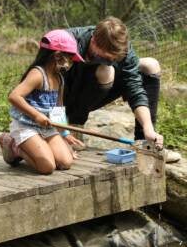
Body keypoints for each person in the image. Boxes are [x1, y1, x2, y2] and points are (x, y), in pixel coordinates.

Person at [62, 16, 180, 162]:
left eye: (115, 59)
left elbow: (135, 89)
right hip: (65, 99)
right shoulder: (67, 42)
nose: (111, 61)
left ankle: (145, 144)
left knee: (150, 65)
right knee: (106, 70)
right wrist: (63, 132)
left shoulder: (124, 51)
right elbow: (49, 85)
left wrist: (148, 128)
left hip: (97, 92)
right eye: (106, 57)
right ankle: (74, 127)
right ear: (93, 41)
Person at [0, 29, 85, 175]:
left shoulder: (60, 79)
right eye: (69, 58)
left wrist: (65, 134)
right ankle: (15, 147)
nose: (70, 63)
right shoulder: (37, 74)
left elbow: (58, 108)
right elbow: (14, 96)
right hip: (26, 126)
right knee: (47, 167)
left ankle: (40, 147)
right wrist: (36, 115)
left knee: (66, 162)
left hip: (46, 128)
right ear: (57, 56)